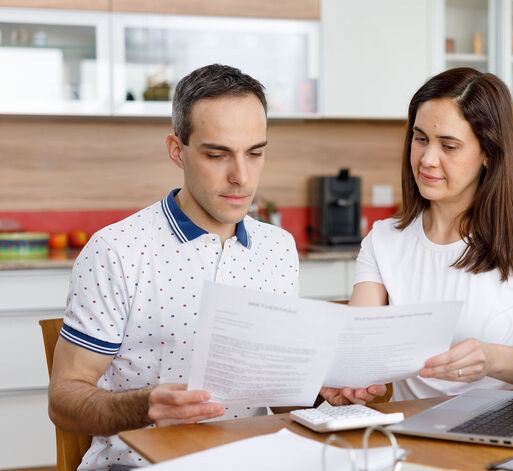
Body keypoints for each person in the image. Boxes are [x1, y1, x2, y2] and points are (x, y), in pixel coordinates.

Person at [46, 64, 379, 471]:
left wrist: (321, 394)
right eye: (217, 154)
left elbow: (276, 394)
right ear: (177, 150)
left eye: (255, 153)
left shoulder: (278, 248)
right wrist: (146, 405)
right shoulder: (117, 249)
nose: (241, 177)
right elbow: (64, 401)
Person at [349, 67, 513, 400]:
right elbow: (358, 361)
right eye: (421, 139)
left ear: (488, 153)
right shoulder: (383, 239)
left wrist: (493, 359)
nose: (427, 159)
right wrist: (353, 386)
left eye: (448, 146)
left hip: (502, 439)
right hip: (411, 442)